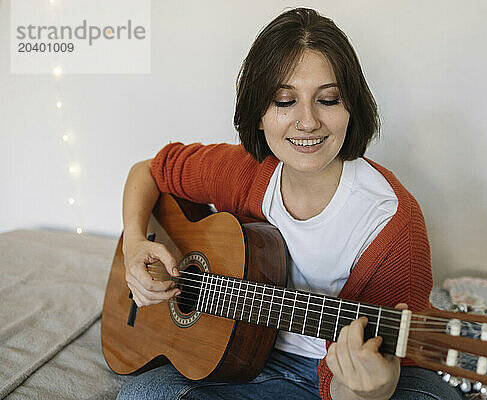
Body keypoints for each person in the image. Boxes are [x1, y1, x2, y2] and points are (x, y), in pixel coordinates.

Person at [117, 7, 465, 400]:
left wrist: (370, 389)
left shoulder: (392, 221)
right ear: (259, 115)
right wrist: (134, 244)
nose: (308, 121)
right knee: (144, 394)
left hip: (342, 376)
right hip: (252, 360)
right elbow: (147, 171)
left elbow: (363, 375)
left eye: (328, 99)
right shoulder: (244, 171)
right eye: (285, 101)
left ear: (351, 107)